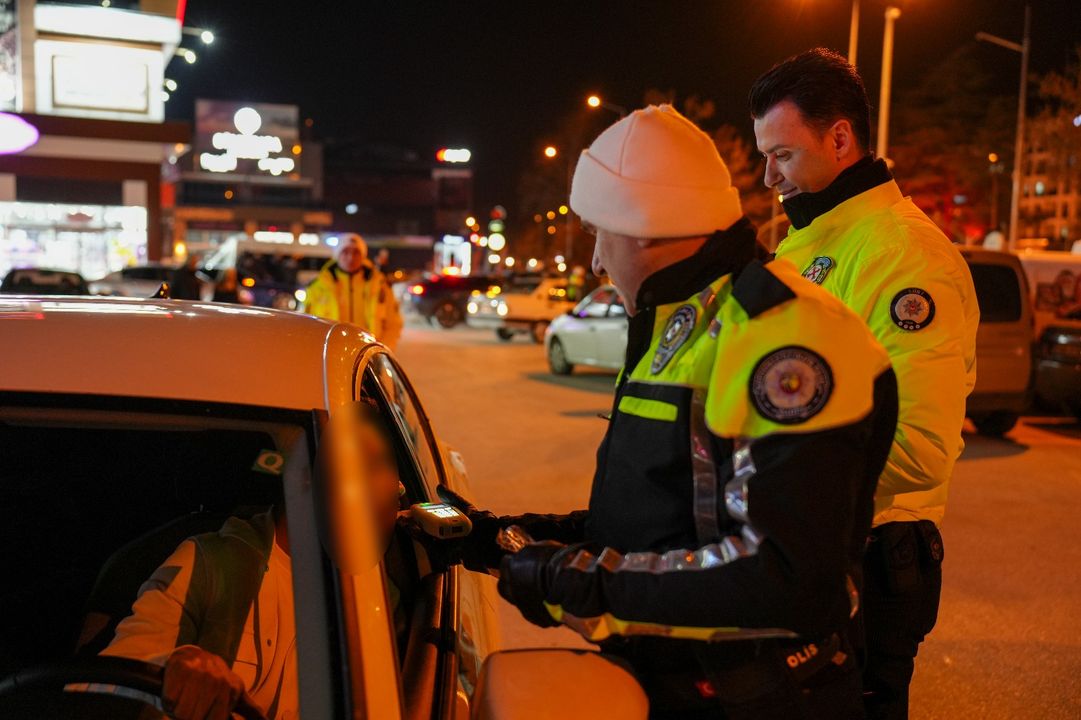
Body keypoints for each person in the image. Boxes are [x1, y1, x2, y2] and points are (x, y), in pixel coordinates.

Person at [440, 105, 899, 718]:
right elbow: (663, 520)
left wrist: (563, 581)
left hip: (762, 698)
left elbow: (784, 576)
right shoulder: (684, 320)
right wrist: (500, 541)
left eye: (599, 232)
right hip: (680, 686)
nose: (597, 261)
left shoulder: (788, 338)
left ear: (646, 228)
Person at [749, 49, 979, 719]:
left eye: (782, 155)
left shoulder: (900, 254)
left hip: (870, 562)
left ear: (840, 138)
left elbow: (918, 445)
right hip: (812, 552)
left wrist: (761, 486)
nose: (768, 177)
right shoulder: (810, 243)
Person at [102, 408, 404, 720]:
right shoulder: (211, 562)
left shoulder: (378, 599)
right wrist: (176, 666)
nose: (389, 492)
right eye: (364, 467)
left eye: (389, 476)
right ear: (306, 477)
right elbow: (107, 683)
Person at [302, 233, 403, 350]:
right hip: (329, 355)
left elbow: (394, 324)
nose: (351, 257)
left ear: (363, 256)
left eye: (356, 253)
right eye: (345, 252)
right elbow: (306, 325)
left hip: (368, 357)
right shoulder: (318, 287)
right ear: (337, 255)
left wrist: (380, 351)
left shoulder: (380, 286)